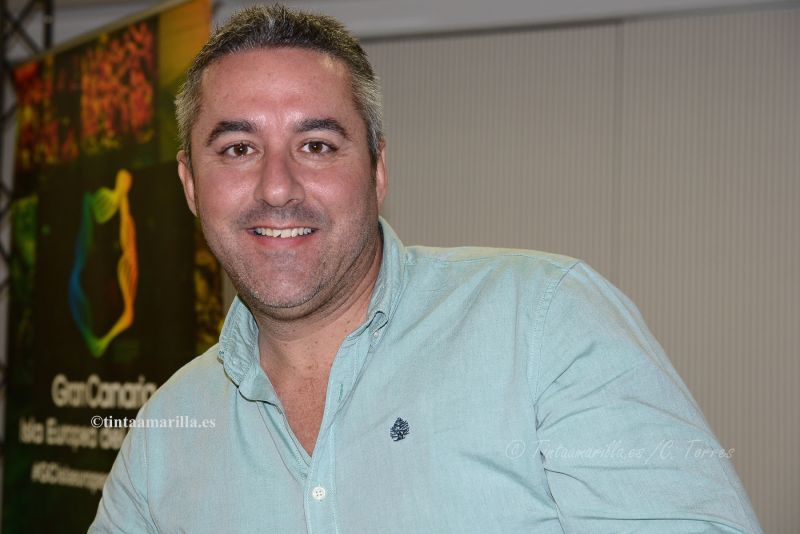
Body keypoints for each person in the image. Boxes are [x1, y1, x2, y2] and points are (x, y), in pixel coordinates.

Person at [90, 5, 762, 533]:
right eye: (238, 148)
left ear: (377, 169)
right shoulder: (162, 438)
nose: (277, 187)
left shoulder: (544, 324)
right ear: (189, 184)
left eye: (317, 145)